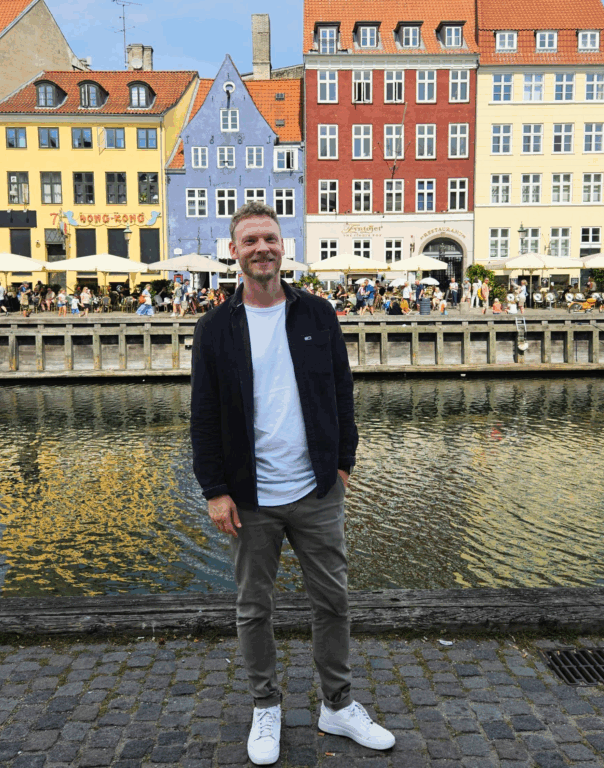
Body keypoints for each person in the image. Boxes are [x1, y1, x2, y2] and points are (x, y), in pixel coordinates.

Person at [191, 202, 394, 766]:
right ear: (233, 251)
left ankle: (338, 704)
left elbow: (342, 392)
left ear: (284, 247)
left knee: (333, 601)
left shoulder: (317, 315)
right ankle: (265, 707)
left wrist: (343, 463)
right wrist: (214, 489)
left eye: (270, 239)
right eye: (250, 240)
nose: (262, 248)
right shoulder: (214, 330)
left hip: (316, 490)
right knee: (254, 608)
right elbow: (203, 416)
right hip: (249, 496)